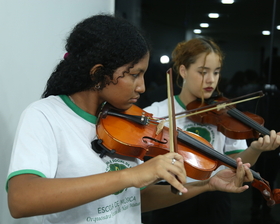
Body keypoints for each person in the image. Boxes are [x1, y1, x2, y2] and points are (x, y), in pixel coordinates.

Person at [6, 15, 254, 224]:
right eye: (135, 75)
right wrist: (130, 175)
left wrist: (207, 185)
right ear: (98, 74)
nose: (143, 87)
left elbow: (132, 200)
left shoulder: (128, 123)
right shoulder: (45, 116)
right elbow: (21, 200)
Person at [143, 37, 280, 224]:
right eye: (202, 72)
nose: (211, 80)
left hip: (215, 199)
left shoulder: (225, 113)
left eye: (216, 73)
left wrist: (255, 149)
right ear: (183, 70)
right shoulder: (157, 113)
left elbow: (236, 164)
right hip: (170, 199)